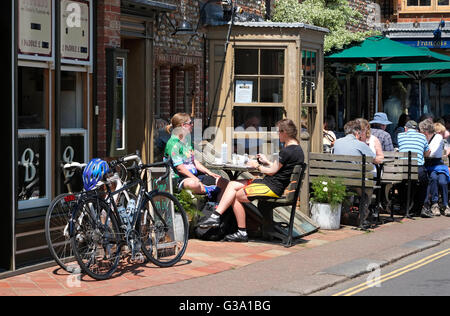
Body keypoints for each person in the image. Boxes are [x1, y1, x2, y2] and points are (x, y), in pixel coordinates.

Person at [198, 119, 304, 242]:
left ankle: (240, 232)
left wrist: (257, 166)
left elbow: (272, 171)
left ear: (284, 132)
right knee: (232, 184)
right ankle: (216, 216)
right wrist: (267, 162)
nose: (277, 135)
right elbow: (280, 169)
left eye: (277, 132)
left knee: (237, 195)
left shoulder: (287, 151)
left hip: (272, 187)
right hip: (270, 183)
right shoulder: (297, 149)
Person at [164, 113, 228, 199]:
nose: (192, 125)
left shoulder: (187, 140)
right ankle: (209, 190)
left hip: (195, 176)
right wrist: (196, 179)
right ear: (183, 125)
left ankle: (216, 207)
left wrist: (209, 172)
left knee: (223, 182)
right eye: (190, 123)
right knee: (193, 184)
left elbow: (194, 161)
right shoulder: (173, 143)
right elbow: (180, 168)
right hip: (180, 179)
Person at [334, 120, 376, 229]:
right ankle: (362, 217)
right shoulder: (360, 144)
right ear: (357, 133)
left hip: (339, 180)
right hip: (357, 182)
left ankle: (345, 213)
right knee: (367, 190)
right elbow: (373, 158)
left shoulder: (337, 142)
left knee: (347, 188)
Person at [397, 120, 431, 218]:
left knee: (401, 183)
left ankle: (403, 206)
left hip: (403, 169)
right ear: (417, 130)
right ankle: (418, 208)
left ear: (405, 128)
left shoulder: (400, 135)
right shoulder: (422, 136)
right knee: (424, 183)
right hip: (418, 169)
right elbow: (428, 152)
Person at [420, 120, 450, 217]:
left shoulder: (438, 137)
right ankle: (435, 204)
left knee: (442, 181)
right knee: (433, 178)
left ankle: (445, 205)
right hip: (428, 166)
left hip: (438, 165)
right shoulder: (423, 138)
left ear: (425, 131)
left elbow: (432, 153)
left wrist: (424, 153)